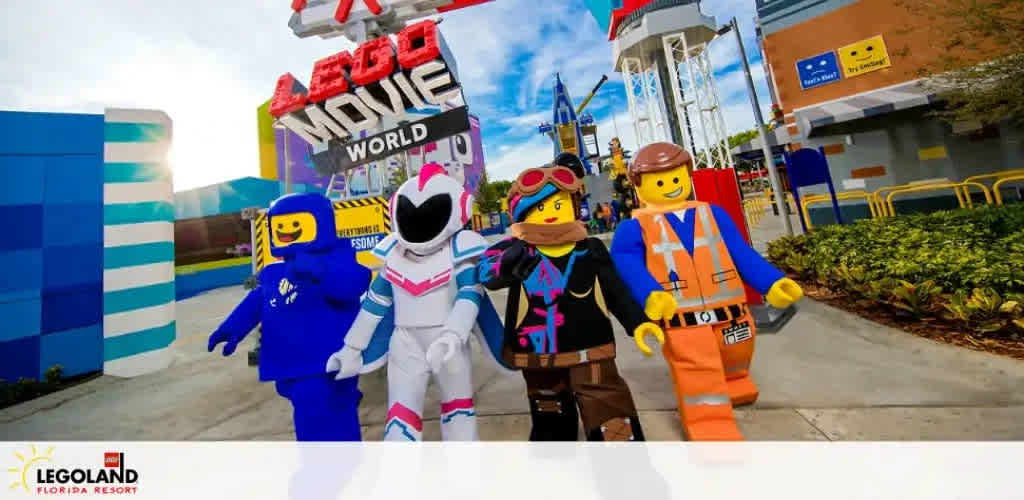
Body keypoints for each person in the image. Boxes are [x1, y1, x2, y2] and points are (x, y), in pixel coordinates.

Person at [610, 142, 804, 441]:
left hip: (731, 311)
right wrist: (650, 293)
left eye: (676, 178)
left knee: (737, 352)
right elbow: (626, 263)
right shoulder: (634, 228)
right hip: (683, 318)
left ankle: (735, 380)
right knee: (698, 370)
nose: (672, 186)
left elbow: (739, 251)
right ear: (639, 185)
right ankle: (709, 423)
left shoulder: (713, 214)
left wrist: (771, 282)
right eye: (660, 182)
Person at [477, 153, 663, 441]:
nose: (551, 211)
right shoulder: (516, 249)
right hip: (537, 353)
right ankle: (556, 460)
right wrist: (508, 262)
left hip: (591, 348)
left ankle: (626, 469)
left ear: (574, 205)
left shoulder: (590, 249)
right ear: (523, 214)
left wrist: (638, 321)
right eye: (539, 206)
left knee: (607, 404)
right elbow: (486, 274)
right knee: (550, 412)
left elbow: (615, 290)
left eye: (559, 203)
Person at [325, 163, 508, 441]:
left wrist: (452, 335)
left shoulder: (460, 253)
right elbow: (374, 306)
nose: (419, 219)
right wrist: (350, 349)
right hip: (405, 342)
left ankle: (465, 476)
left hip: (448, 344)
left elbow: (470, 296)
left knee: (458, 411)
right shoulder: (394, 257)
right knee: (399, 415)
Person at [208, 192, 370, 441]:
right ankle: (345, 453)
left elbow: (354, 283)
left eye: (296, 224)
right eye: (280, 226)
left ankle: (317, 467)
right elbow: (259, 300)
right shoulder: (274, 272)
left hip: (323, 361)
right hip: (290, 363)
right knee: (325, 406)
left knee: (312, 408)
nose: (286, 230)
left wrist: (320, 271)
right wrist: (233, 327)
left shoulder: (338, 258)